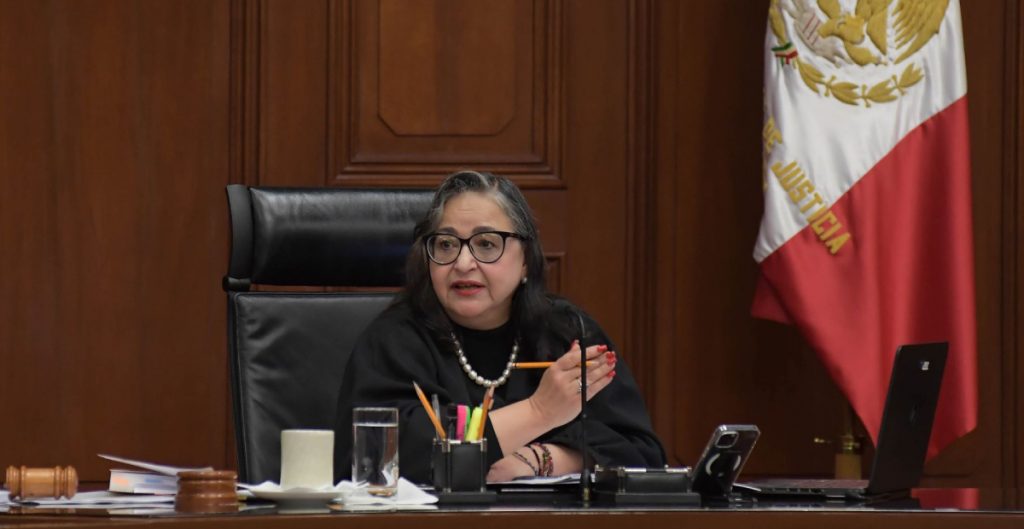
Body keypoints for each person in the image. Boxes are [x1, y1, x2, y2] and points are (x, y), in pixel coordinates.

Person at [333, 170, 665, 484]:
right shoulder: (393, 340)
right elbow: (373, 459)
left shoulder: (567, 333)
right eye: (446, 244)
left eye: (487, 244)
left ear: (526, 261)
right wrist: (538, 412)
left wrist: (539, 459)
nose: (463, 263)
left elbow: (641, 455)